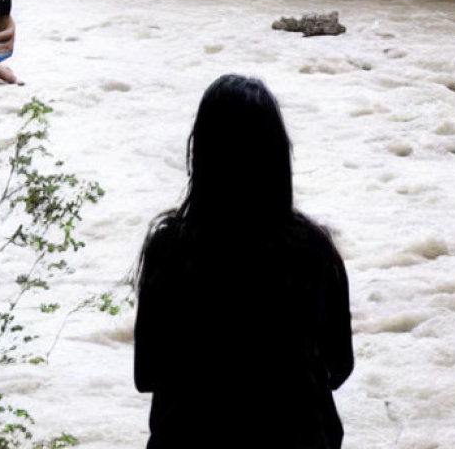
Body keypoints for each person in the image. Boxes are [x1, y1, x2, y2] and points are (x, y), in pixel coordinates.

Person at [134, 74, 353, 449]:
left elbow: (146, 374)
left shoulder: (171, 249)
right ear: (277, 157)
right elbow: (340, 367)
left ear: (201, 154)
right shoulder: (313, 251)